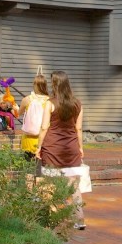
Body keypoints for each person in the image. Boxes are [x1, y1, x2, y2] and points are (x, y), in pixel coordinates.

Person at [36, 70, 86, 230]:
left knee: (50, 186)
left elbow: (44, 127)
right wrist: (80, 148)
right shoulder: (77, 104)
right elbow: (78, 129)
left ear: (55, 84)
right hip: (71, 148)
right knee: (73, 186)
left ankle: (54, 219)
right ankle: (79, 219)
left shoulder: (50, 103)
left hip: (52, 148)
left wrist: (38, 147)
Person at [17, 73, 50, 160]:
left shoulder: (26, 99)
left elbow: (17, 114)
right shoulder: (49, 101)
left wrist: (13, 107)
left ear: (34, 85)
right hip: (44, 139)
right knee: (43, 165)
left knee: (28, 164)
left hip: (28, 139)